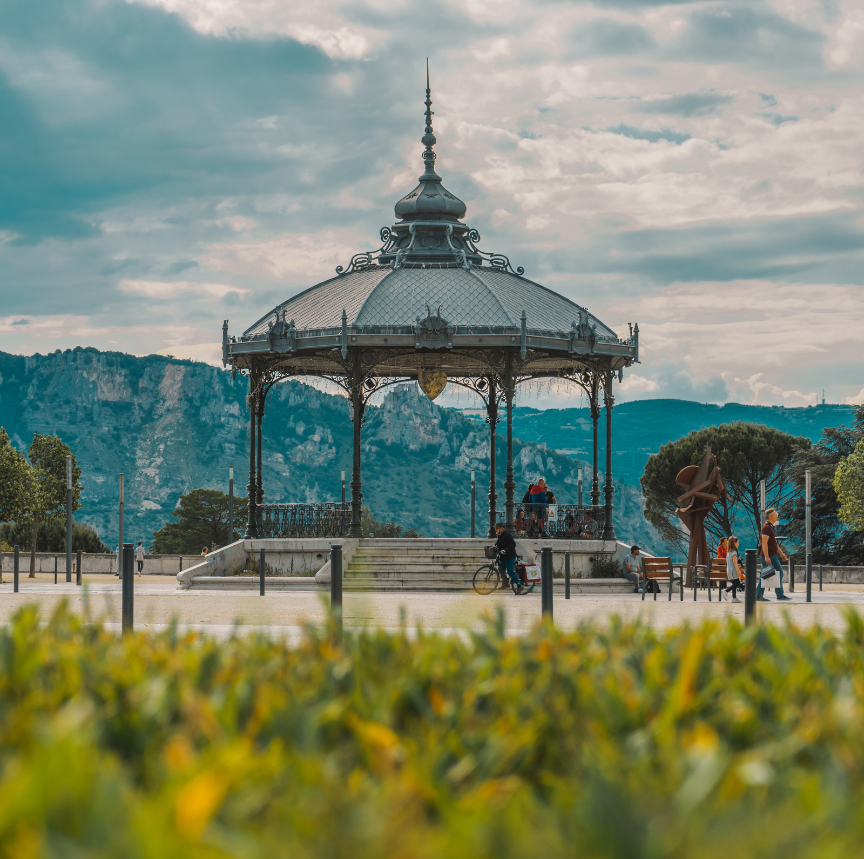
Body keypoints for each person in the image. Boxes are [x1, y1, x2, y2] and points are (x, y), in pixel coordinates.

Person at [758, 508, 790, 602]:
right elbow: (764, 543)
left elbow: (774, 543)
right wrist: (767, 556)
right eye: (776, 515)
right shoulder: (767, 528)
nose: (777, 516)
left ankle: (759, 595)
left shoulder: (770, 527)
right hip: (769, 556)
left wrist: (781, 553)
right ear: (771, 517)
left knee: (764, 575)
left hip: (770, 555)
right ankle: (779, 594)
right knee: (779, 572)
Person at [494, 522, 521, 588]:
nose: (495, 529)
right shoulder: (500, 535)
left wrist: (506, 549)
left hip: (510, 557)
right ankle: (505, 583)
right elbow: (497, 543)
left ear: (501, 529)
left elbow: (513, 544)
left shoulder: (507, 535)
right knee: (500, 569)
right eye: (495, 528)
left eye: (497, 528)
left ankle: (519, 585)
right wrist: (493, 547)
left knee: (510, 572)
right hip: (503, 557)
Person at [722, 536, 742, 602]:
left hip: (729, 570)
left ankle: (734, 598)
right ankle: (726, 591)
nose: (738, 544)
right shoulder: (734, 552)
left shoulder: (728, 552)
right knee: (737, 583)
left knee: (734, 583)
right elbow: (734, 562)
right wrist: (738, 571)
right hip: (733, 570)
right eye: (737, 542)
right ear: (734, 543)